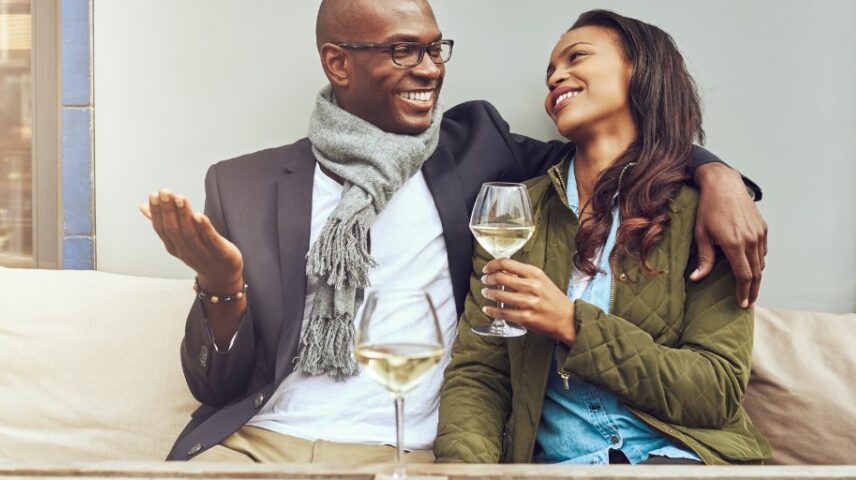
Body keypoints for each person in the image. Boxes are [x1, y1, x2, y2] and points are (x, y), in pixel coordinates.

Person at [141, 0, 766, 463]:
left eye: (435, 49)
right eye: (403, 51)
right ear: (338, 62)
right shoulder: (242, 185)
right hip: (261, 441)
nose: (429, 69)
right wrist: (222, 286)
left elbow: (622, 156)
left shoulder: (480, 154)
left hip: (406, 448)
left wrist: (719, 175)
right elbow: (216, 384)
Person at [435, 10, 771, 465]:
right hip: (561, 469)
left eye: (576, 57)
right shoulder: (520, 214)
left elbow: (716, 391)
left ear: (640, 69)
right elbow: (479, 375)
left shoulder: (704, 213)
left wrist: (571, 324)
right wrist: (465, 473)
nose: (556, 77)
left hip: (683, 460)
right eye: (550, 72)